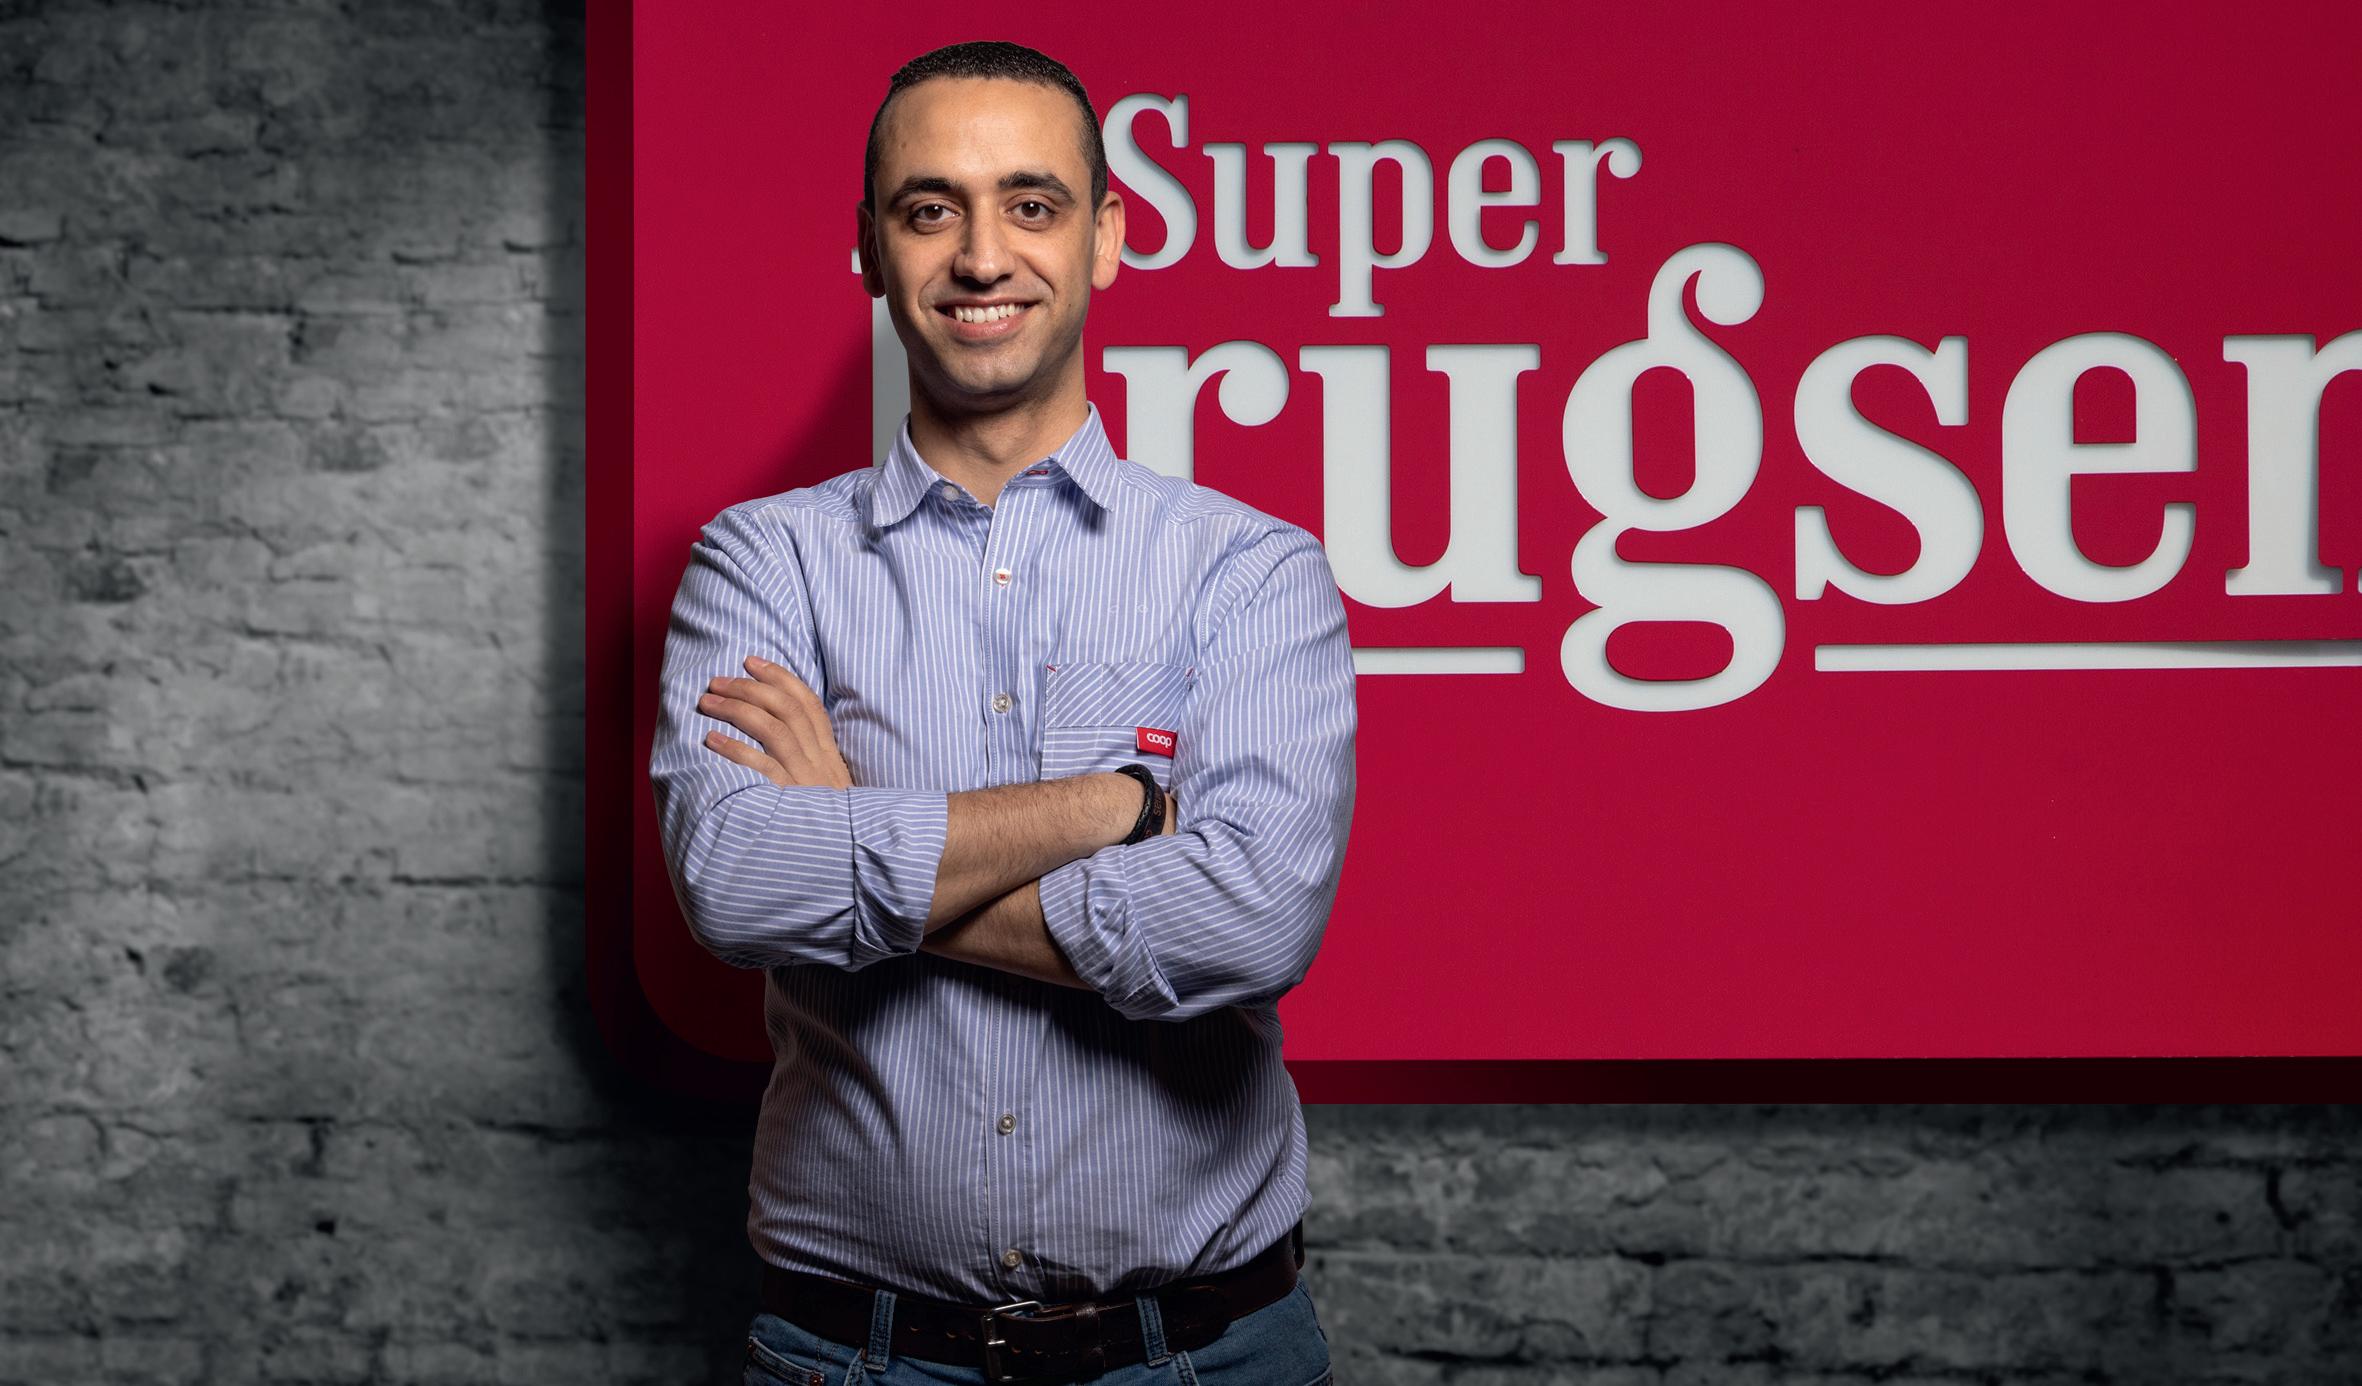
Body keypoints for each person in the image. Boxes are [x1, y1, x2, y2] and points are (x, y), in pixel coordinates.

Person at [649, 39, 1356, 1386]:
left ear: (1107, 238)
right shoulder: (762, 562)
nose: (983, 257)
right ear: (870, 249)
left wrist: (854, 837)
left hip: (1201, 1358)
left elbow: (1253, 919)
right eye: (932, 210)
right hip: (856, 1360)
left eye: (1031, 205)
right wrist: (1112, 807)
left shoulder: (1249, 569)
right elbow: (737, 885)